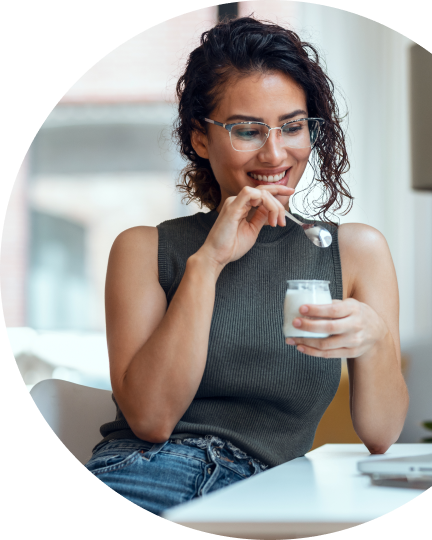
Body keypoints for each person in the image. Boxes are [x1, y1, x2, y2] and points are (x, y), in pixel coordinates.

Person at [83, 15, 409, 514]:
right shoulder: (144, 249)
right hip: (154, 473)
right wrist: (208, 261)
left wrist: (377, 338)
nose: (275, 153)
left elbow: (381, 434)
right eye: (246, 130)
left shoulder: (356, 251)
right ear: (199, 139)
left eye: (293, 127)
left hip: (270, 493)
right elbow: (151, 420)